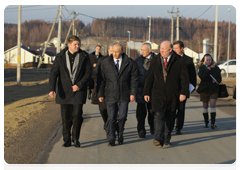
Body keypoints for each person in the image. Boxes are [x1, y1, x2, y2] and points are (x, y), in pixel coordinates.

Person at [49, 35, 92, 148]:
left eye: (78, 44)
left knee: (77, 115)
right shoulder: (60, 57)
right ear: (69, 45)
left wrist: (79, 85)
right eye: (75, 44)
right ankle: (66, 139)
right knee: (66, 117)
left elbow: (88, 73)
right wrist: (52, 89)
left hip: (79, 91)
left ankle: (76, 138)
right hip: (65, 91)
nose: (77, 46)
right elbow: (54, 73)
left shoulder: (84, 56)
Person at [143, 40, 189, 148]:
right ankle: (158, 138)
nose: (162, 51)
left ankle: (167, 137)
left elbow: (184, 79)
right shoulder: (155, 60)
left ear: (170, 50)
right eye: (161, 49)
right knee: (158, 115)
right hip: (157, 93)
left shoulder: (179, 61)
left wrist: (183, 93)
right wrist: (146, 92)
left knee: (170, 117)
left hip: (172, 94)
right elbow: (149, 77)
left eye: (164, 49)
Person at [98, 43, 138, 146]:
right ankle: (111, 138)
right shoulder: (105, 63)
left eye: (117, 52)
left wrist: (133, 93)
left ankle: (120, 133)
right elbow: (101, 80)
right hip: (110, 94)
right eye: (113, 52)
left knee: (122, 116)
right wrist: (100, 94)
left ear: (122, 51)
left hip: (124, 94)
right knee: (111, 117)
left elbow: (134, 79)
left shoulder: (130, 63)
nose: (115, 54)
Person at [173, 40, 196, 135]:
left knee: (181, 108)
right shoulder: (171, 59)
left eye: (176, 48)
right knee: (172, 107)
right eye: (173, 48)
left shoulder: (188, 60)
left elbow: (192, 75)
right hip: (173, 88)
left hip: (184, 88)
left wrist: (193, 87)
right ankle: (171, 123)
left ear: (181, 49)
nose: (174, 50)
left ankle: (178, 127)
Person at [135, 42, 156, 138]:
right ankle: (141, 131)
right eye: (141, 50)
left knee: (152, 111)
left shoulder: (156, 60)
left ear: (150, 50)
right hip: (140, 90)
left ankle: (153, 127)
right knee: (140, 113)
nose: (142, 52)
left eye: (144, 50)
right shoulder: (138, 61)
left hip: (153, 90)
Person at [91, 44, 114, 131]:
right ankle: (107, 122)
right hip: (102, 88)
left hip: (113, 90)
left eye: (114, 51)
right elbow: (95, 74)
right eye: (111, 51)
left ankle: (110, 124)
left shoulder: (118, 61)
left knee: (112, 110)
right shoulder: (102, 60)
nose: (112, 53)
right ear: (108, 51)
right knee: (102, 109)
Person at [197, 54, 222, 129]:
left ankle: (213, 122)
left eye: (209, 60)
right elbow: (202, 77)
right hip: (204, 89)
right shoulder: (201, 68)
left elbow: (219, 79)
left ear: (212, 60)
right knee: (205, 105)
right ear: (204, 60)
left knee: (213, 104)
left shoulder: (216, 68)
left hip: (213, 89)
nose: (208, 61)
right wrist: (207, 70)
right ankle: (206, 122)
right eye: (206, 60)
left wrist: (216, 80)